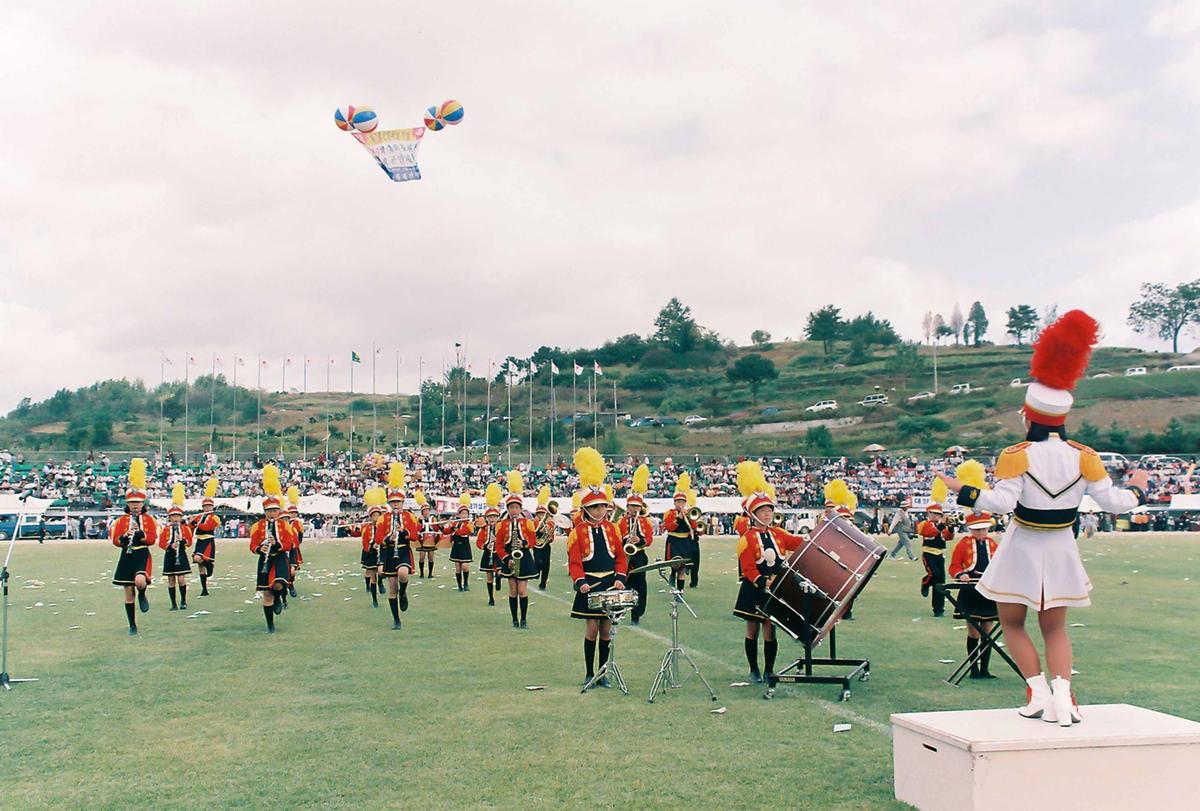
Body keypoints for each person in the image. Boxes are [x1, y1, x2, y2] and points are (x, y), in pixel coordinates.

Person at [941, 310, 1150, 726]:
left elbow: (1000, 504)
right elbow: (1114, 501)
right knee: (1056, 629)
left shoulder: (1016, 455)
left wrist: (959, 489)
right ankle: (1065, 700)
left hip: (1022, 547)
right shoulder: (1085, 457)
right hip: (1060, 549)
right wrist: (1140, 488)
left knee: (1012, 623)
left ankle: (1036, 692)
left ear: (1029, 414)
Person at [732, 461, 806, 686]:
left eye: (769, 510)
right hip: (755, 589)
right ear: (752, 514)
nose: (767, 514)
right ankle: (753, 669)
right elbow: (748, 569)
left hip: (774, 589)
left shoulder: (779, 533)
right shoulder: (747, 538)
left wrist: (820, 531)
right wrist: (762, 581)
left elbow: (798, 542)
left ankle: (769, 670)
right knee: (752, 630)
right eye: (762, 511)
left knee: (770, 631)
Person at [567, 448, 627, 687]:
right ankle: (589, 672)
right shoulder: (578, 532)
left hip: (611, 583)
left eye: (602, 506)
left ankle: (604, 673)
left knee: (606, 631)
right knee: (591, 631)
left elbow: (620, 557)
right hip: (590, 585)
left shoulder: (613, 528)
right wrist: (580, 581)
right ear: (585, 510)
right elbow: (575, 561)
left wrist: (621, 576)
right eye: (595, 507)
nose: (600, 511)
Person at [947, 512, 1000, 679]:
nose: (981, 533)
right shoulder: (963, 544)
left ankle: (985, 669)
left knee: (987, 632)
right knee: (974, 633)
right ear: (971, 529)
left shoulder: (992, 544)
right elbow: (954, 566)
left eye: (984, 529)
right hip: (971, 591)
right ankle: (973, 669)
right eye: (977, 530)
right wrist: (961, 574)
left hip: (988, 591)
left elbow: (999, 564)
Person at [109, 458, 157, 636]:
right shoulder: (121, 521)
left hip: (142, 554)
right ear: (127, 504)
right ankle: (132, 624)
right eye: (132, 502)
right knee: (128, 592)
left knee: (139, 581)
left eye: (138, 502)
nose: (135, 505)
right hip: (127, 556)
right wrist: (124, 537)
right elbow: (115, 540)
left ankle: (143, 593)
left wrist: (140, 535)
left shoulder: (149, 520)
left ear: (143, 503)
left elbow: (152, 539)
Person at [249, 465, 297, 634]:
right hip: (265, 559)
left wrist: (276, 544)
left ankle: (279, 598)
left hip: (280, 558)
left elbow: (289, 543)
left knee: (278, 585)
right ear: (265, 511)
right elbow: (252, 545)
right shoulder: (258, 526)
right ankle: (270, 625)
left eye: (275, 510)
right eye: (269, 510)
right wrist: (259, 548)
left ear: (279, 511)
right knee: (267, 593)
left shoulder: (285, 525)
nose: (272, 513)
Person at [496, 471, 538, 629]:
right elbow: (499, 545)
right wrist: (506, 559)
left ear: (520, 508)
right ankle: (514, 618)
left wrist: (524, 543)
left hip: (524, 557)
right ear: (508, 509)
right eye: (511, 507)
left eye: (516, 507)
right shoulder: (502, 525)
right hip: (510, 558)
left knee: (522, 591)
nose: (514, 510)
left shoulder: (527, 523)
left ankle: (524, 619)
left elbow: (533, 540)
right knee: (513, 591)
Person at [379, 474, 419, 630]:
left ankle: (404, 593)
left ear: (403, 502)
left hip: (403, 551)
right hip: (390, 552)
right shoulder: (384, 518)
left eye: (398, 502)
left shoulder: (410, 516)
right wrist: (389, 537)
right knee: (392, 588)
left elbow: (415, 535)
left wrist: (404, 532)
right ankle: (396, 620)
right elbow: (378, 538)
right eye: (393, 502)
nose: (396, 504)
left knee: (403, 574)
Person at [617, 464, 653, 626]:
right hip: (624, 556)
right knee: (622, 584)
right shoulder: (621, 521)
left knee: (639, 586)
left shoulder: (646, 522)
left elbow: (650, 540)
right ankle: (619, 611)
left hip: (639, 556)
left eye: (637, 506)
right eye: (632, 506)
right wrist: (626, 540)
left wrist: (640, 541)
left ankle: (636, 615)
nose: (635, 509)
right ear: (628, 506)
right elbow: (616, 538)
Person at [662, 472, 701, 592]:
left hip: (685, 541)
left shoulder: (689, 513)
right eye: (678, 502)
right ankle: (673, 574)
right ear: (674, 503)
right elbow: (669, 527)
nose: (680, 504)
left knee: (683, 568)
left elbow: (694, 528)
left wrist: (689, 517)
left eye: (682, 502)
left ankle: (680, 591)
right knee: (676, 564)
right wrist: (678, 517)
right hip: (673, 541)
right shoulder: (669, 513)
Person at [158, 484, 193, 611]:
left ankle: (183, 600)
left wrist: (182, 541)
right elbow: (161, 543)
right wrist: (170, 546)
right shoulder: (166, 529)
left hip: (181, 554)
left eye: (178, 516)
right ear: (170, 517)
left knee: (181, 579)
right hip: (170, 555)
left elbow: (189, 542)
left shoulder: (185, 529)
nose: (176, 518)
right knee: (171, 580)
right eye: (173, 516)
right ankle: (173, 603)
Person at [917, 502, 954, 617]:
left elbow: (948, 537)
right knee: (934, 574)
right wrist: (942, 525)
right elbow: (929, 533)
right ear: (929, 513)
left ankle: (939, 609)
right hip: (928, 553)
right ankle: (925, 582)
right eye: (935, 513)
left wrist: (951, 528)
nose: (937, 516)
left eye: (939, 514)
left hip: (939, 554)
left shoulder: (941, 526)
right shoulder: (925, 524)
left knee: (940, 582)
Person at [190, 477, 221, 596]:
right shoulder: (199, 516)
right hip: (199, 541)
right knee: (199, 564)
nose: (207, 508)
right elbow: (191, 528)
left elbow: (207, 527)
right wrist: (190, 522)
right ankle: (204, 589)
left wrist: (196, 523)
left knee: (200, 559)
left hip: (208, 540)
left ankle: (210, 566)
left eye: (209, 506)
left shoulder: (214, 517)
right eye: (205, 506)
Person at [476, 484, 503, 606]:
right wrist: (486, 546)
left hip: (499, 554)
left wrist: (497, 540)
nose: (492, 519)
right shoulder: (484, 529)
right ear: (487, 518)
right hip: (488, 554)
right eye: (490, 517)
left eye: (494, 517)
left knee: (499, 572)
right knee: (488, 576)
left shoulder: (501, 528)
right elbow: (479, 542)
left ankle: (499, 579)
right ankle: (491, 597)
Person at [447, 493, 474, 592]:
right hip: (456, 547)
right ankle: (459, 585)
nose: (464, 515)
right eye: (462, 513)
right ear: (459, 514)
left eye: (465, 513)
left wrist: (454, 529)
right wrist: (441, 527)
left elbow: (463, 532)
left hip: (465, 547)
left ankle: (466, 582)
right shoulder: (456, 523)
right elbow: (447, 532)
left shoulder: (469, 524)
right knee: (458, 567)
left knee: (465, 567)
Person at [532, 485, 556, 591]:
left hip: (546, 545)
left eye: (542, 514)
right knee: (538, 562)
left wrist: (547, 530)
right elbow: (531, 533)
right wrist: (538, 532)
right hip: (536, 545)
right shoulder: (533, 522)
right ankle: (536, 571)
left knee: (546, 565)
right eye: (539, 514)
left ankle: (543, 583)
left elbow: (551, 535)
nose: (541, 516)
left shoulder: (549, 522)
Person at [285, 487, 304, 600]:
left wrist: (296, 545)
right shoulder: (284, 523)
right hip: (283, 549)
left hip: (293, 548)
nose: (293, 514)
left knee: (292, 571)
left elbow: (300, 536)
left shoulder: (298, 523)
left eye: (294, 512)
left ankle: (291, 584)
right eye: (291, 512)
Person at [415, 491, 439, 579]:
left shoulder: (432, 518)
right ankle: (421, 573)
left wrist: (435, 524)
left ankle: (430, 573)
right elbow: (417, 530)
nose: (426, 512)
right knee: (421, 557)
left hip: (431, 539)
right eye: (424, 510)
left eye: (427, 510)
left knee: (431, 557)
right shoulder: (419, 519)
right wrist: (420, 523)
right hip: (422, 539)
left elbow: (436, 529)